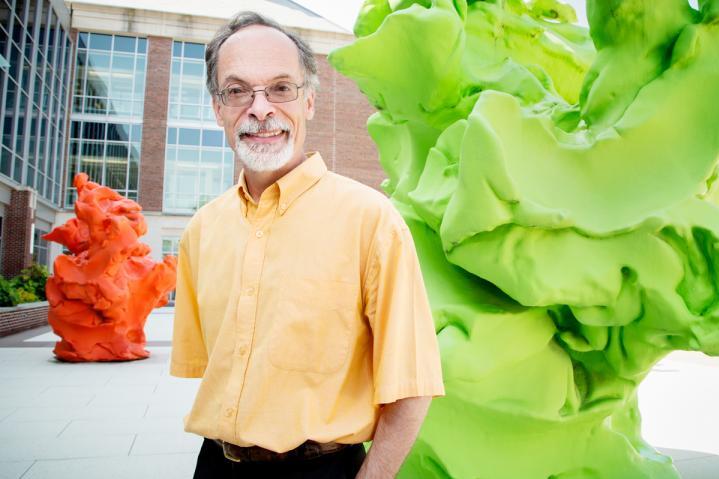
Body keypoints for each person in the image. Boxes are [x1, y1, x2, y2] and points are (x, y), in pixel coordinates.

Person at [170, 11, 444, 479]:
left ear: (310, 101)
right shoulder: (201, 229)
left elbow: (412, 387)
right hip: (214, 465)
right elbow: (211, 372)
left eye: (281, 88)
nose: (260, 109)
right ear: (218, 109)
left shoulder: (371, 220)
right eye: (237, 91)